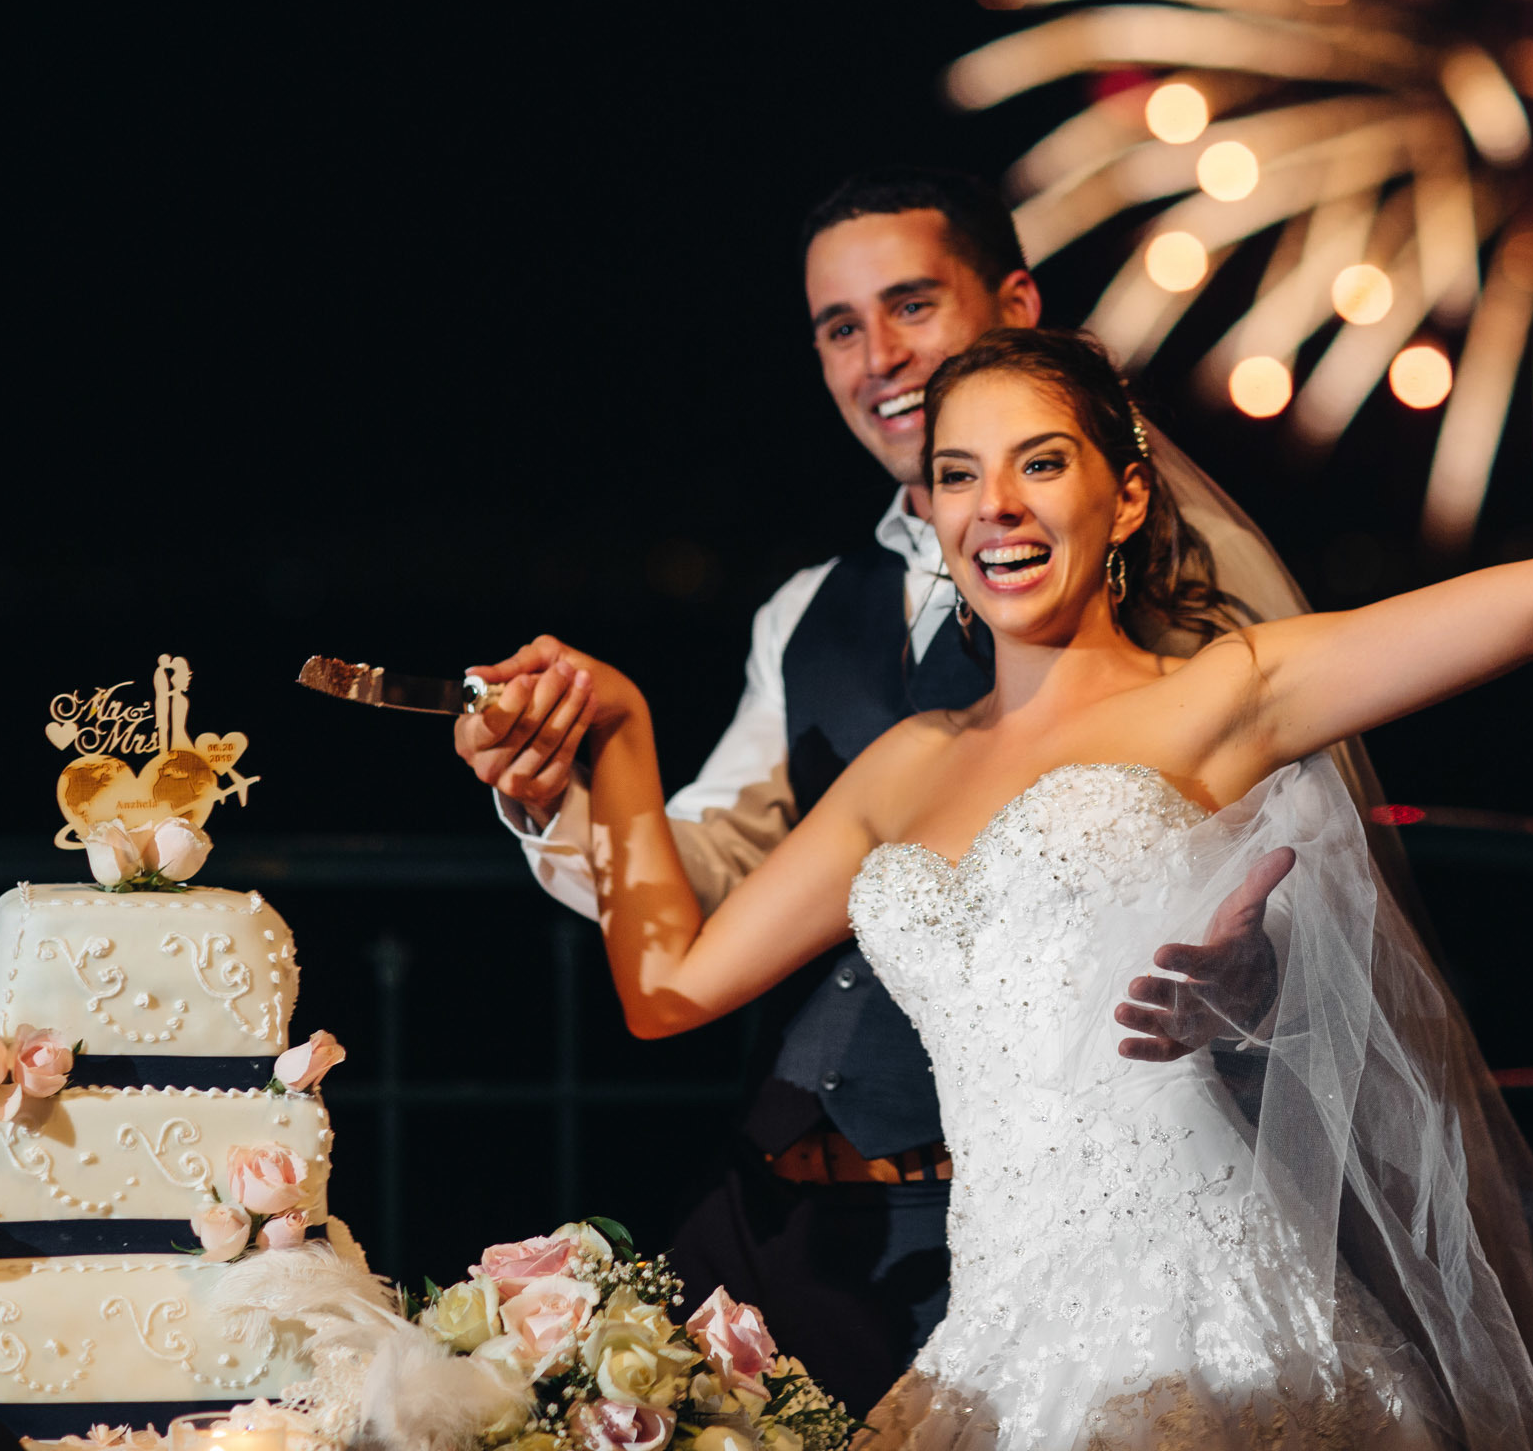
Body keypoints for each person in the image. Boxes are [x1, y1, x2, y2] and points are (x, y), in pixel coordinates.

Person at [538, 329, 1533, 1448]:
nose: (999, 505)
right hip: (994, 1355)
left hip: (1206, 1335)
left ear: (1127, 496)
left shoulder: (1224, 691)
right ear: (933, 516)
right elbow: (667, 983)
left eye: (1041, 464)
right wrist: (619, 734)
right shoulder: (897, 771)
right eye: (961, 475)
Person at [451, 171, 1425, 1412]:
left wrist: (1255, 989)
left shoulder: (1199, 592)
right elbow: (705, 887)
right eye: (840, 328)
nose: (880, 357)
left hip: (1084, 1233)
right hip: (801, 1225)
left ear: (1016, 304)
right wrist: (566, 789)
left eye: (911, 304)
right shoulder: (807, 612)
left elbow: (1300, 869)